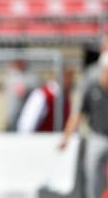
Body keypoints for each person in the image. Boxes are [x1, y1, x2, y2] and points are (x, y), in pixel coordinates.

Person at [59, 52, 108, 198]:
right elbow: (77, 114)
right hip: (97, 136)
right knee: (92, 175)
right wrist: (66, 138)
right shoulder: (91, 89)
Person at [17, 67, 74, 132]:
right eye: (69, 79)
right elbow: (27, 125)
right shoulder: (42, 95)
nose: (71, 83)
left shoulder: (66, 99)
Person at [3, 59, 41, 131]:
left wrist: (25, 87)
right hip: (13, 111)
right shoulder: (11, 74)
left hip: (25, 111)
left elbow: (35, 85)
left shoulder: (30, 74)